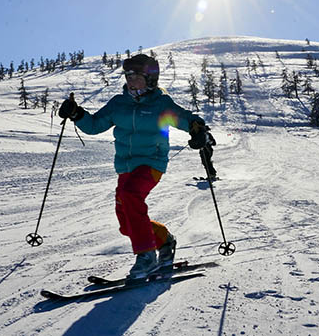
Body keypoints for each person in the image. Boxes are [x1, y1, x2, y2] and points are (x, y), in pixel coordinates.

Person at [58, 53, 213, 279]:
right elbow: (94, 126)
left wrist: (198, 129)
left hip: (152, 162)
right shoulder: (118, 104)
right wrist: (77, 114)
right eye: (128, 75)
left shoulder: (161, 103)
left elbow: (184, 118)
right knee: (126, 221)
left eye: (136, 76)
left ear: (150, 78)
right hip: (125, 167)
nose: (130, 80)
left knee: (131, 196)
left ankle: (146, 255)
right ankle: (164, 241)